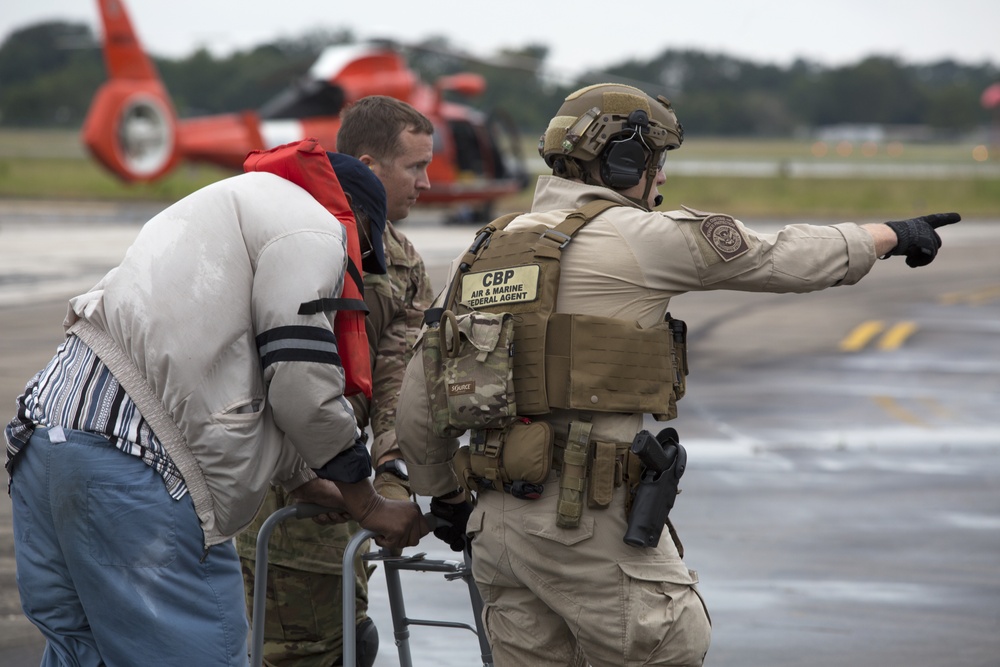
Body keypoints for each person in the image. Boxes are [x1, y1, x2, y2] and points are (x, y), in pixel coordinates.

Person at [393, 82, 961, 667]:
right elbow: (781, 258)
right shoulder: (639, 238)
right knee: (670, 647)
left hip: (496, 529)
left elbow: (418, 400)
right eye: (654, 161)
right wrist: (890, 234)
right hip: (583, 523)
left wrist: (448, 499)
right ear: (622, 160)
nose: (660, 178)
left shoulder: (483, 249)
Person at [4, 150, 429, 667]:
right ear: (357, 218)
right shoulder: (315, 226)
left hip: (46, 445)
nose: (353, 268)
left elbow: (229, 364)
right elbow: (299, 381)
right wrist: (367, 501)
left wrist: (303, 479)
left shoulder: (229, 206)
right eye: (362, 255)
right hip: (135, 469)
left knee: (83, 653)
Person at [236, 95, 436, 667]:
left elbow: (401, 377)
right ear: (369, 167)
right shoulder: (296, 242)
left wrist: (391, 473)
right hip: (282, 498)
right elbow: (275, 374)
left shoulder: (402, 263)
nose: (425, 182)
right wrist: (313, 480)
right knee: (305, 652)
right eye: (414, 166)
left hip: (345, 497)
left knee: (348, 641)